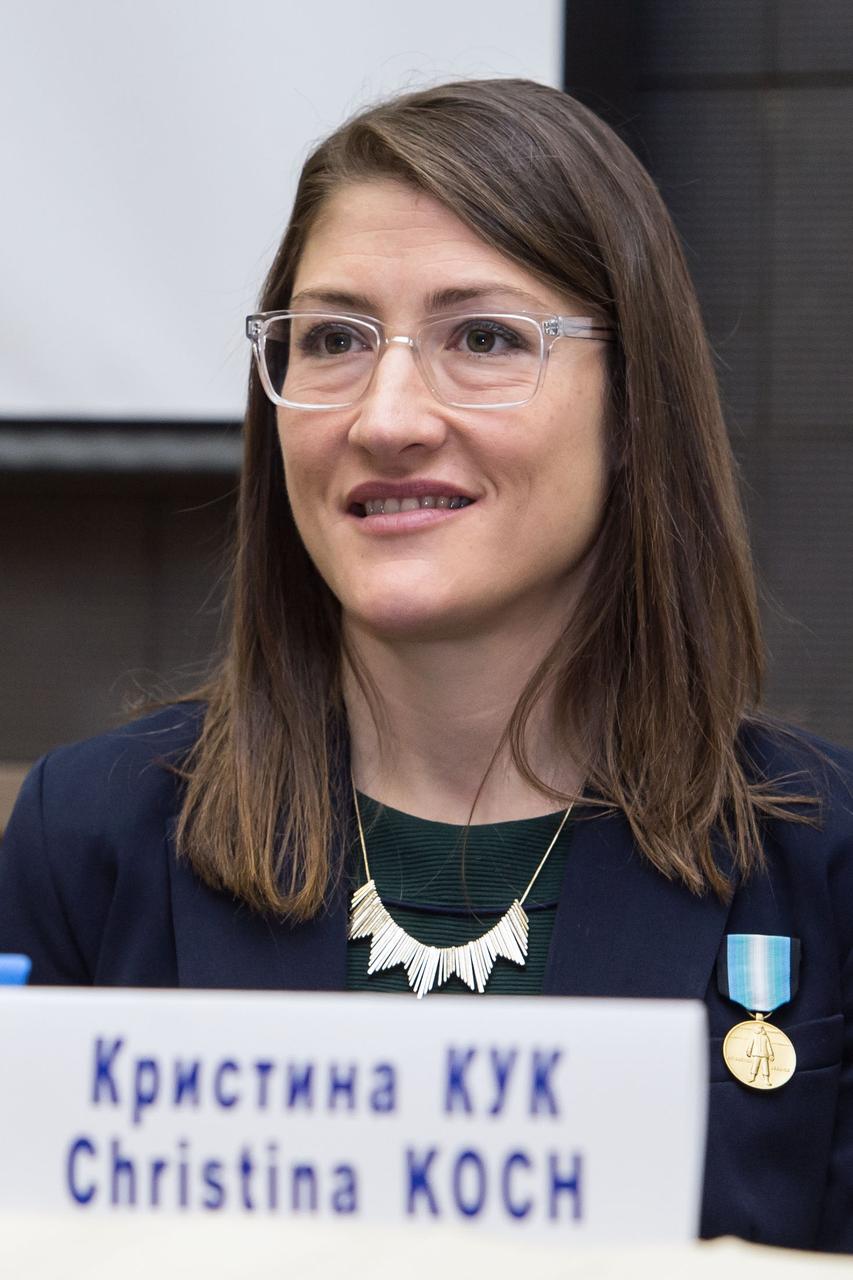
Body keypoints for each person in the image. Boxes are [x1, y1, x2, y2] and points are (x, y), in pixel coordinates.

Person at [0, 78, 851, 1250]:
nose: (387, 417)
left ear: (632, 406)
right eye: (334, 340)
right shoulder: (90, 838)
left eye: (484, 338)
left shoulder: (821, 860)